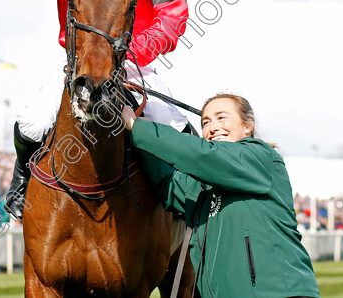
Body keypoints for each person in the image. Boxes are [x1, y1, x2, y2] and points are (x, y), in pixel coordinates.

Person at [0, 0, 191, 219]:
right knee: (31, 124)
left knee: (179, 129)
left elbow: (173, 16)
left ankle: (188, 209)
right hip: (80, 63)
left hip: (133, 65)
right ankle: (21, 183)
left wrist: (128, 49)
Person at [121, 93, 320, 298]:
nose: (212, 127)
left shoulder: (261, 157)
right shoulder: (200, 184)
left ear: (247, 125)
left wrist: (141, 129)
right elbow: (168, 186)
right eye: (206, 122)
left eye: (221, 117)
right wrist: (142, 144)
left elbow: (203, 154)